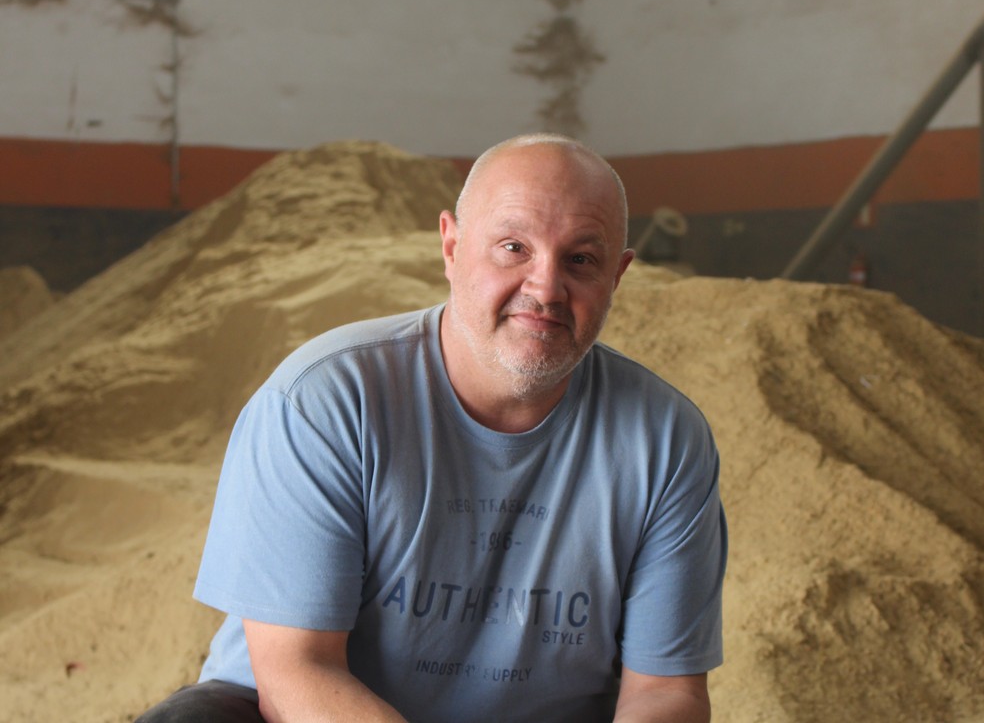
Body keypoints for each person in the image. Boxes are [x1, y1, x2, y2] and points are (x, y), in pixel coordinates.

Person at [138, 133, 727, 723]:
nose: (545, 288)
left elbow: (664, 691)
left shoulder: (665, 441)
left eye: (581, 259)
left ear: (618, 275)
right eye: (514, 247)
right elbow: (299, 671)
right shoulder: (326, 402)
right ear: (451, 245)